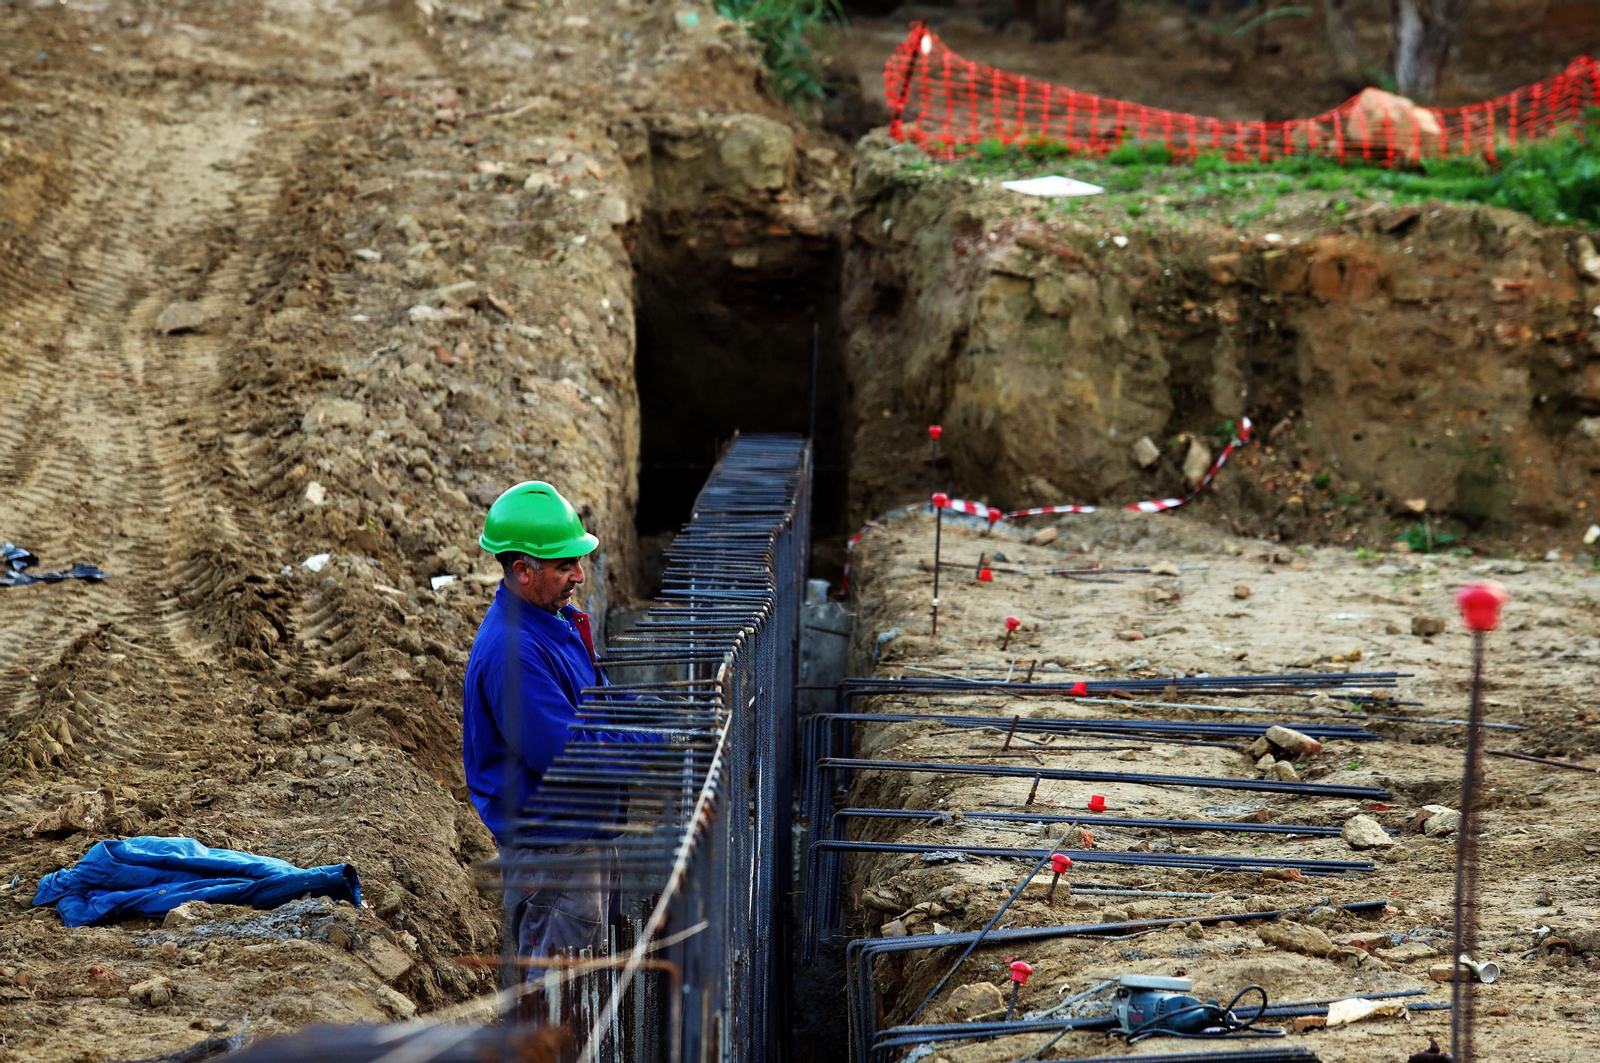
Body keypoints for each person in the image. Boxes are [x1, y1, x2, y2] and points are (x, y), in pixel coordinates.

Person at [462, 481, 649, 983]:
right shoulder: (512, 651)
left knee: (590, 1001)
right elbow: (567, 752)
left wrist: (655, 713)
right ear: (523, 570)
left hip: (584, 842)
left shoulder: (556, 622)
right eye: (565, 565)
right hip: (555, 860)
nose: (580, 575)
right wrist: (659, 744)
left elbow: (595, 706)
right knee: (558, 1016)